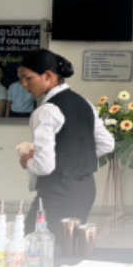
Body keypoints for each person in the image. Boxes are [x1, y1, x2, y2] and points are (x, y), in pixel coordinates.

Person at [17, 49, 115, 233]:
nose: (23, 84)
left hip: (57, 191)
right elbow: (107, 144)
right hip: (85, 189)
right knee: (70, 244)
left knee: (35, 242)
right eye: (21, 79)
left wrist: (27, 160)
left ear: (48, 76)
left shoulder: (45, 111)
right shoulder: (84, 102)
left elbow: (44, 167)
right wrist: (72, 157)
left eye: (28, 78)